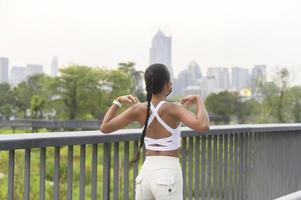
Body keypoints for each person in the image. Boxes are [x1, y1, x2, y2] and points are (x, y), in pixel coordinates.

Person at [100, 63, 210, 200]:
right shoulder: (174, 109)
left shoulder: (138, 109)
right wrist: (199, 100)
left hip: (145, 174)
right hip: (168, 173)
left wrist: (117, 102)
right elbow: (203, 125)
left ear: (148, 85)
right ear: (168, 85)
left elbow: (105, 127)